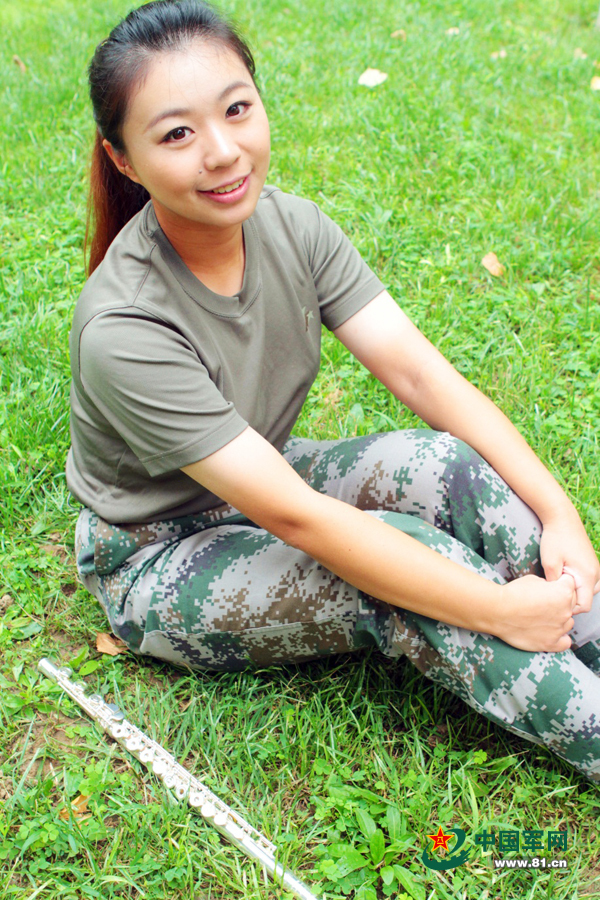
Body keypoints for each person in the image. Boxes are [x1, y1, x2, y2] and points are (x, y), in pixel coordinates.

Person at [68, 0, 600, 782]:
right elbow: (296, 516)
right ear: (123, 160)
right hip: (159, 553)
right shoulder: (123, 326)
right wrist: (496, 610)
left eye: (237, 110)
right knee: (407, 572)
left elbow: (423, 376)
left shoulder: (294, 228)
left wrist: (560, 514)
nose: (222, 152)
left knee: (441, 466)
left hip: (263, 471)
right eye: (177, 133)